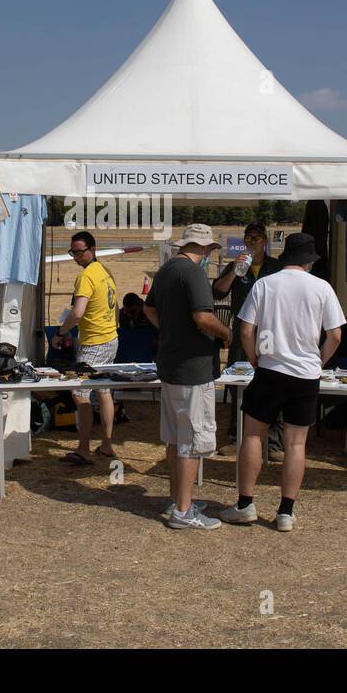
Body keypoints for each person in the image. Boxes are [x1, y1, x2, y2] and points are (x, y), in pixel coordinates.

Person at [219, 232, 345, 533]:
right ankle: (286, 511)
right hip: (305, 374)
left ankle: (245, 504)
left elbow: (245, 330)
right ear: (309, 261)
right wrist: (318, 361)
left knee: (252, 437)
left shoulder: (265, 284)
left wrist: (253, 359)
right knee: (296, 443)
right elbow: (336, 335)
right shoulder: (322, 287)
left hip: (269, 369)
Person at [143, 223, 231, 530]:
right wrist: (226, 334)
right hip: (193, 369)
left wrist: (168, 330)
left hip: (170, 365)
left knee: (175, 437)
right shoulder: (193, 273)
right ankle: (183, 510)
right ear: (205, 249)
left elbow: (148, 308)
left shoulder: (167, 269)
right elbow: (203, 316)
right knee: (192, 441)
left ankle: (177, 498)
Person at [213, 221, 284, 460]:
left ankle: (273, 442)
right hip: (242, 333)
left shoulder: (276, 267)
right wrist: (235, 269)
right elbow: (218, 291)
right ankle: (236, 437)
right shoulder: (237, 265)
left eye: (256, 239)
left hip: (271, 333)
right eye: (248, 239)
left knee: (274, 382)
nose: (252, 243)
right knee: (236, 383)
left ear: (265, 241)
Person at [51, 230, 119, 465]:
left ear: (93, 249)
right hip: (110, 338)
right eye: (73, 252)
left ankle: (83, 448)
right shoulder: (105, 271)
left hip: (94, 342)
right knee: (103, 391)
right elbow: (115, 307)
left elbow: (77, 313)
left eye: (80, 252)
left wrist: (60, 333)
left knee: (80, 394)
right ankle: (107, 444)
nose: (76, 257)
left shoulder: (87, 276)